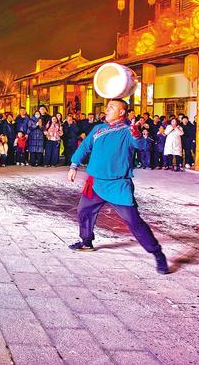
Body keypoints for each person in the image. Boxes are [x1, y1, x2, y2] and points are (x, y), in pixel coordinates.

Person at [67, 98, 168, 275]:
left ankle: (157, 253)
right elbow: (85, 147)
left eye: (111, 107)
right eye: (107, 107)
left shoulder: (128, 131)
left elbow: (141, 145)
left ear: (122, 112)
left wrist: (137, 134)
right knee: (84, 210)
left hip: (118, 185)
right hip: (96, 182)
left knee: (133, 221)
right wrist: (74, 165)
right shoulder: (98, 129)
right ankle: (86, 242)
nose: (107, 110)